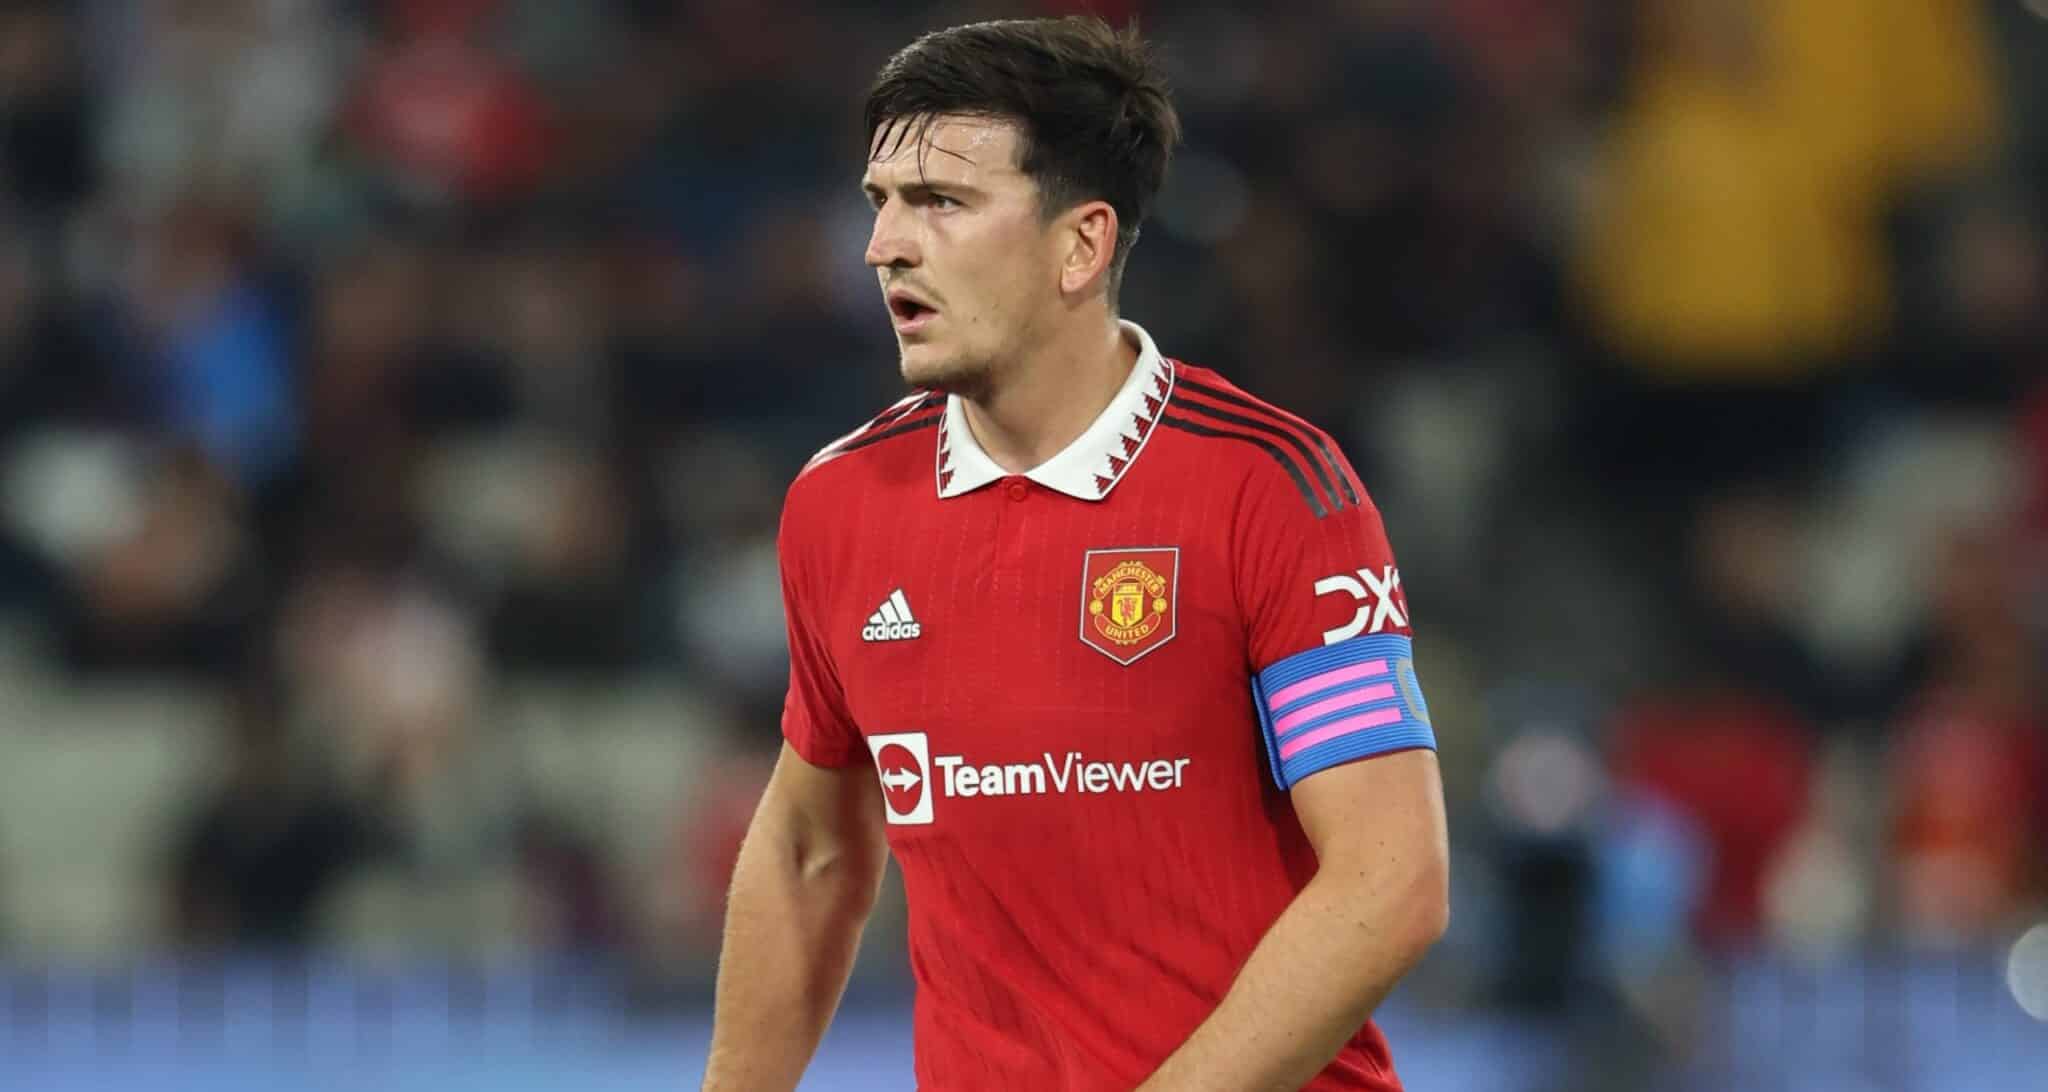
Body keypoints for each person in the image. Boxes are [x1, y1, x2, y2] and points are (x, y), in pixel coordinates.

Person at [703, 17, 1448, 1091]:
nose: (884, 246)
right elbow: (810, 853)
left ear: (1081, 246)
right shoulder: (839, 503)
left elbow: (1391, 879)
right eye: (881, 201)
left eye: (941, 202)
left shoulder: (1270, 488)